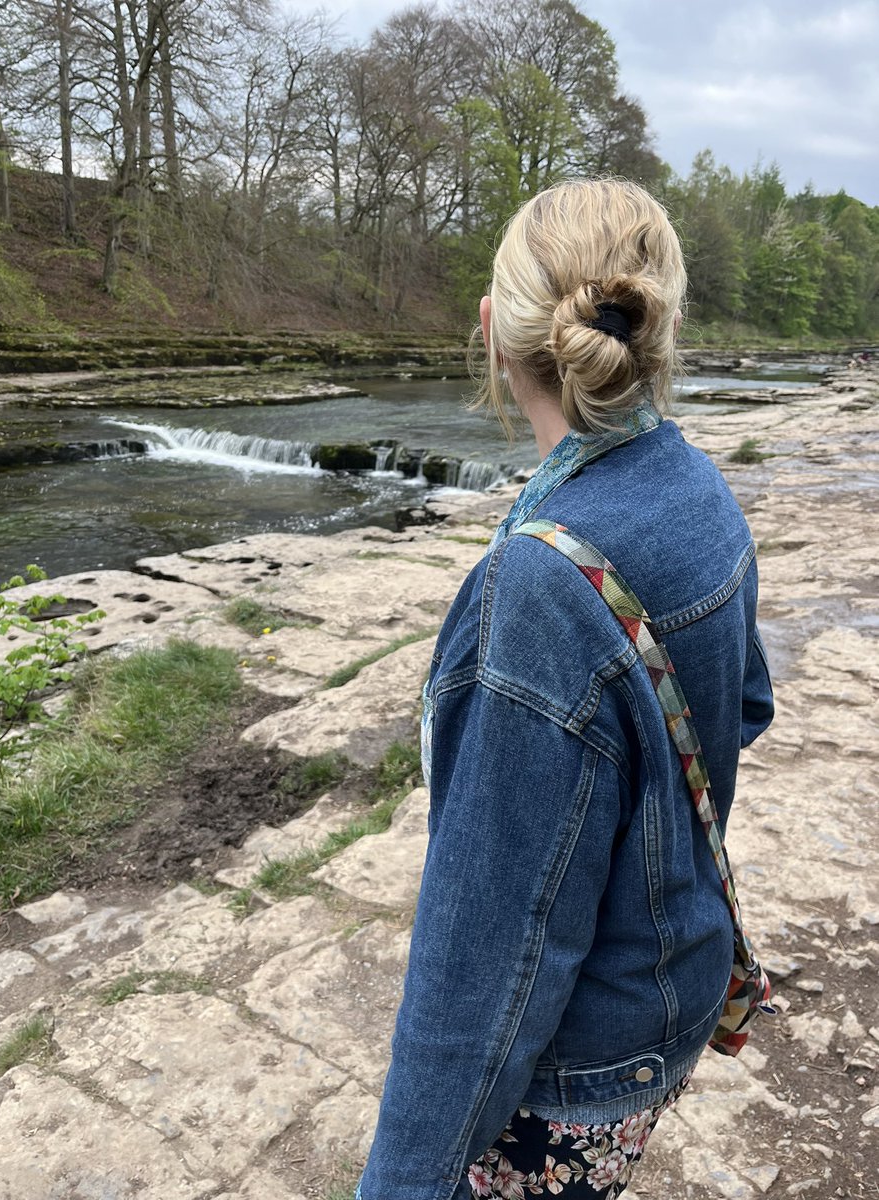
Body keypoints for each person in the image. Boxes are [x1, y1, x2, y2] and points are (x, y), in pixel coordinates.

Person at [355, 179, 775, 1200]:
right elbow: (746, 703)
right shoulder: (696, 488)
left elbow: (488, 961)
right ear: (662, 328)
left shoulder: (536, 589)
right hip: (669, 1002)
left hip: (576, 1074)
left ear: (496, 330)